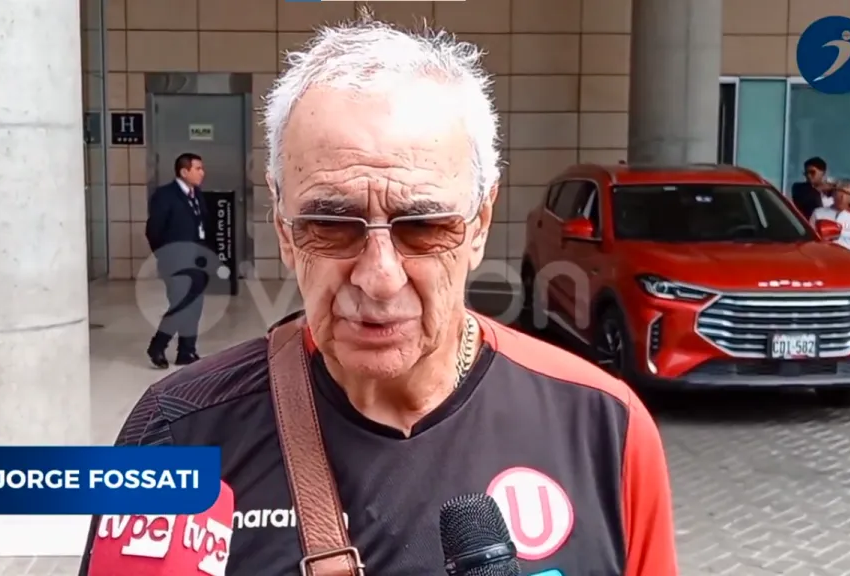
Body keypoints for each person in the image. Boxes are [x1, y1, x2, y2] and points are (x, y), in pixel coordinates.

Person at [82, 16, 677, 576]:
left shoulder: (606, 427)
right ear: (284, 227)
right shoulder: (175, 433)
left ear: (480, 223)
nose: (380, 276)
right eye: (330, 224)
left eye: (424, 226)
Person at [144, 153, 210, 369]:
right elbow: (153, 230)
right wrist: (165, 255)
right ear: (184, 171)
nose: (202, 173)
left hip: (198, 260)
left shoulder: (197, 194)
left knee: (195, 305)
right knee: (181, 304)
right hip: (175, 261)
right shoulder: (165, 196)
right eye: (197, 169)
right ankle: (158, 345)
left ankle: (186, 351)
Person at [811, 178, 850, 259]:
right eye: (840, 191)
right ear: (833, 193)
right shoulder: (818, 213)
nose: (842, 196)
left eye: (847, 194)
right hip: (820, 258)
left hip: (846, 261)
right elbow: (809, 238)